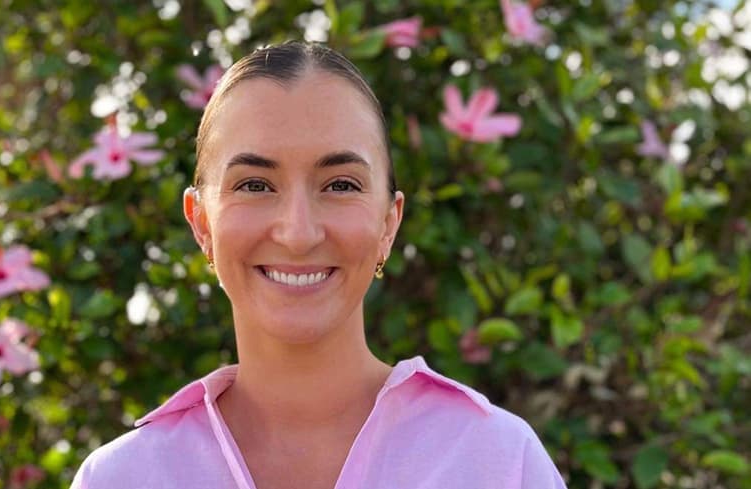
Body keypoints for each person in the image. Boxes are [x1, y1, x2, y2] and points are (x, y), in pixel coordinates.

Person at [71, 41, 567, 489]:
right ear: (201, 223)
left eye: (341, 185)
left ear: (388, 224)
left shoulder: (498, 461)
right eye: (254, 185)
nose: (298, 233)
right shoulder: (120, 478)